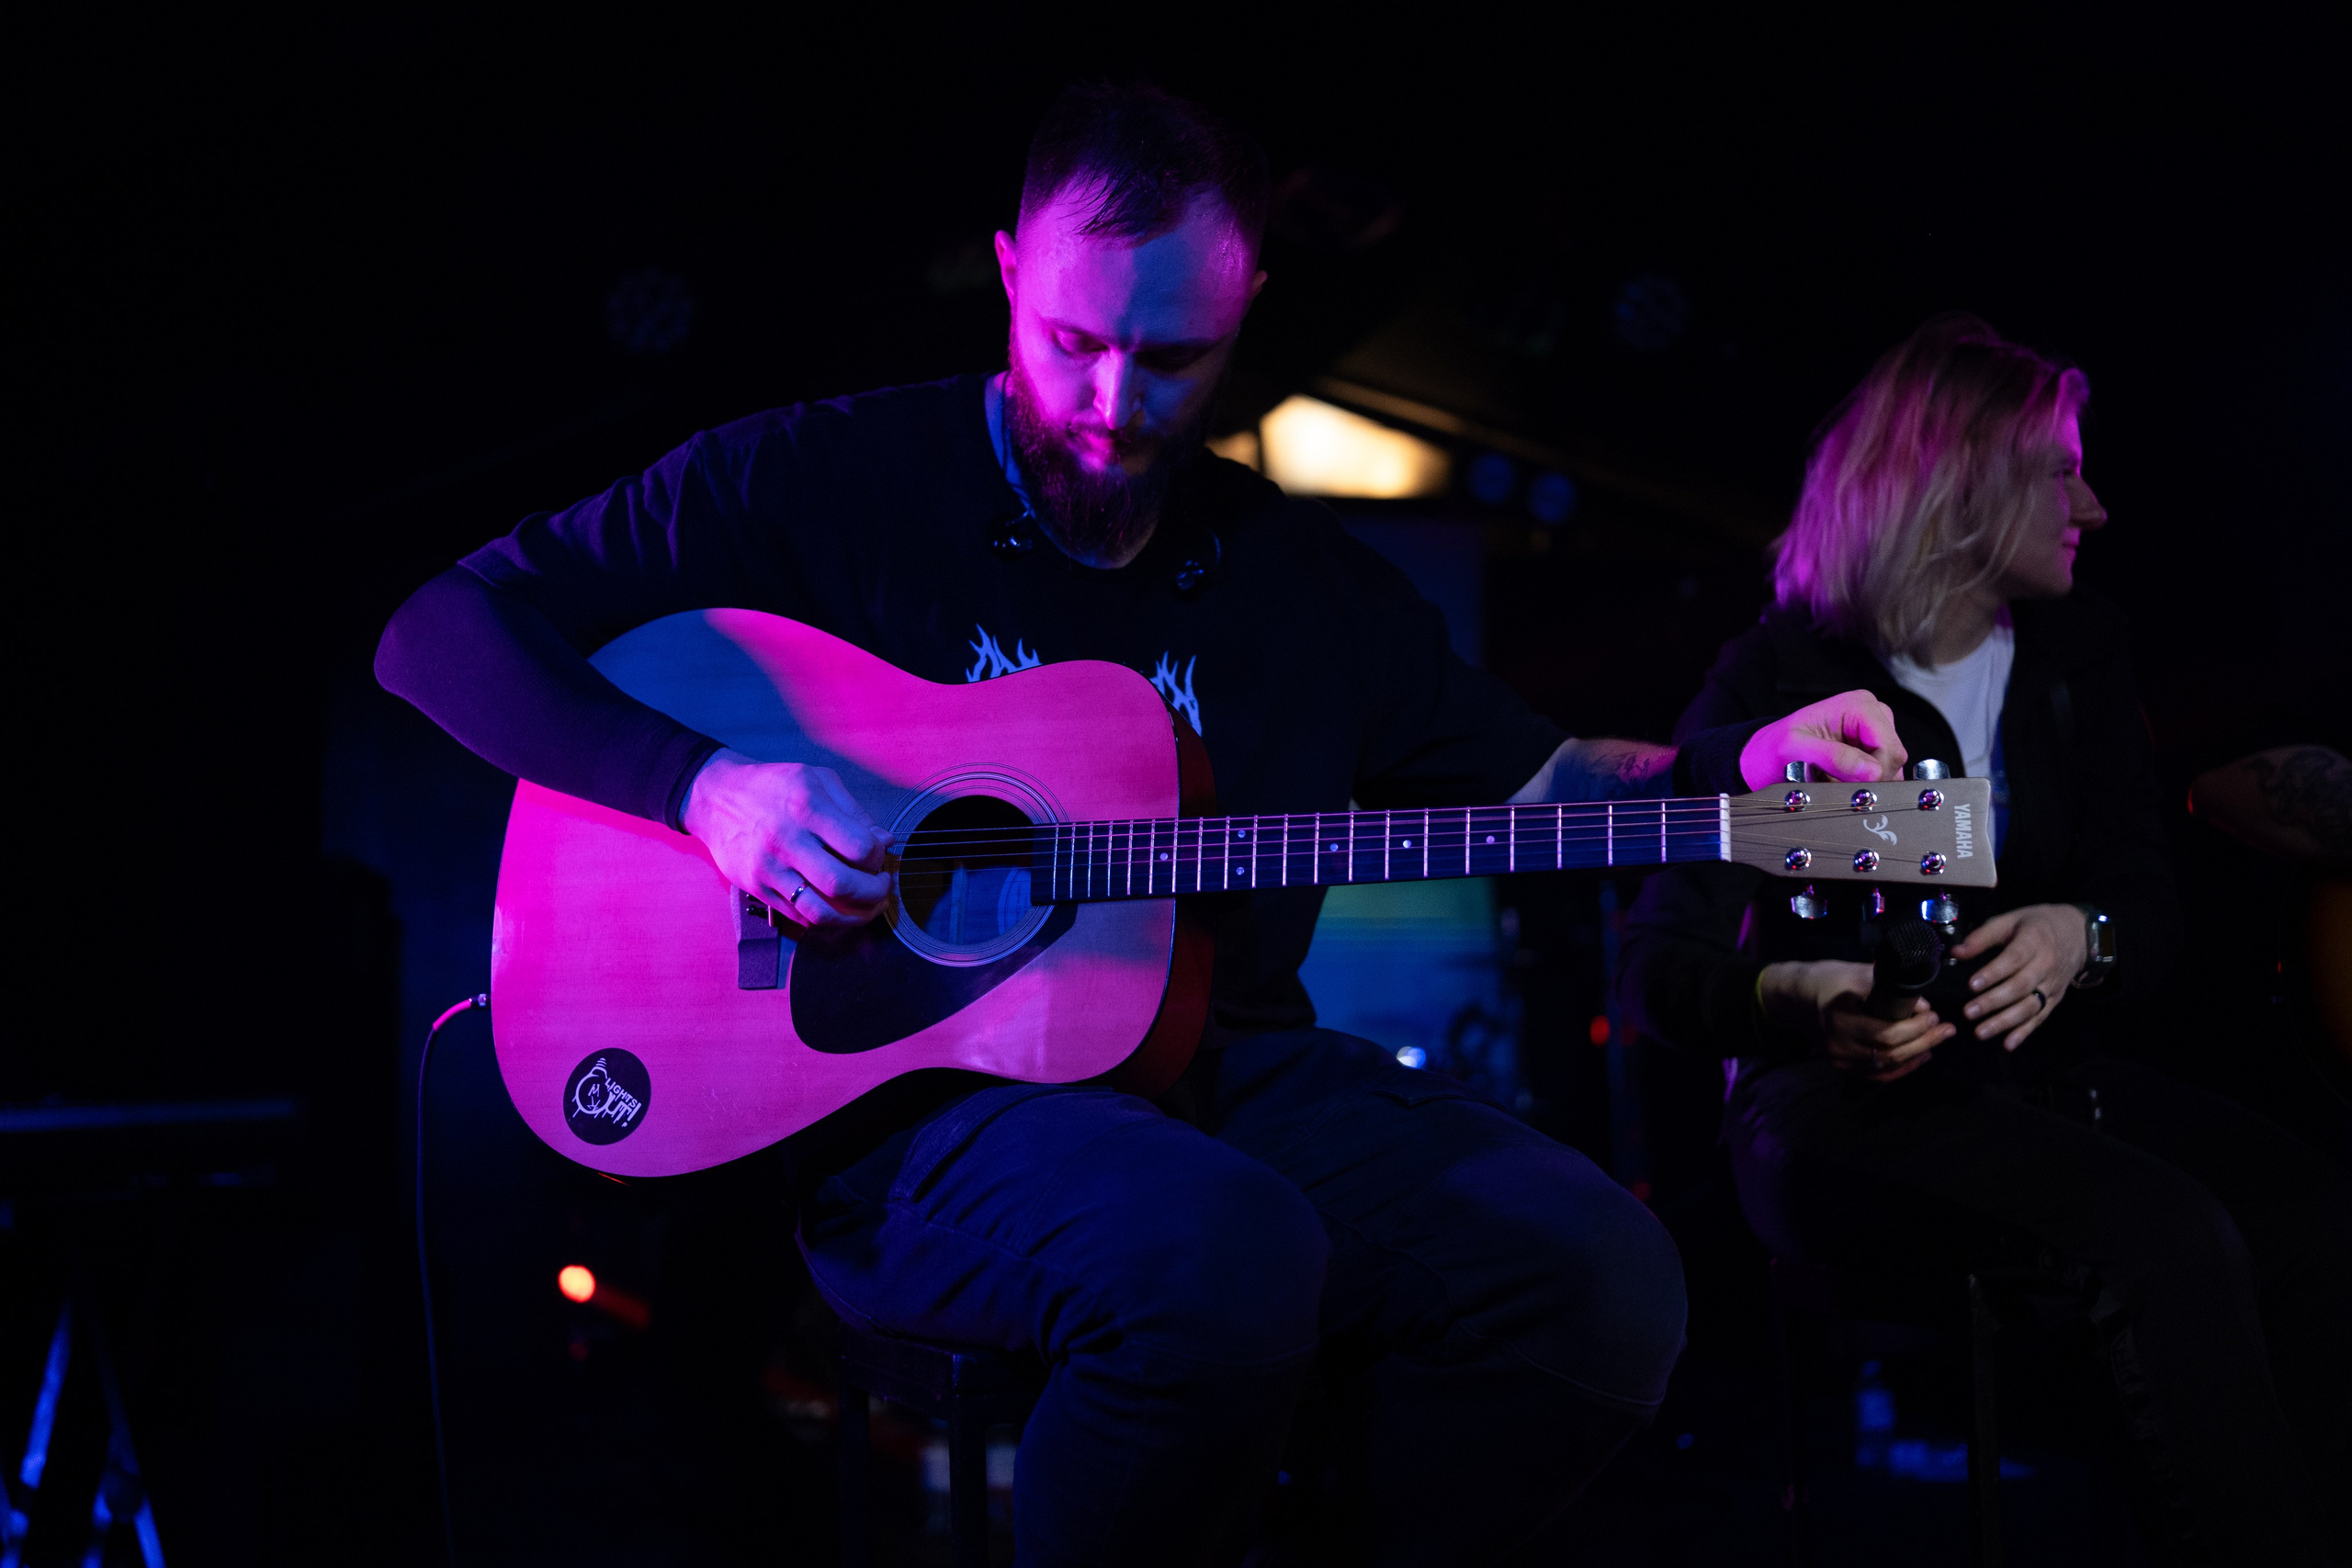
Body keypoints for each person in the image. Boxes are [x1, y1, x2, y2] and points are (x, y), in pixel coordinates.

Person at [379, 85, 1904, 1566]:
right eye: (1073, 343)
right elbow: (440, 631)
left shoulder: (1306, 585)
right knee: (1218, 1251)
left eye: (1172, 357)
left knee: (1602, 1279)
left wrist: (1736, 781)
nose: (1112, 408)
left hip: (1224, 1076)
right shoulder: (820, 480)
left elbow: (1546, 785)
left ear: (1244, 316)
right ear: (1005, 276)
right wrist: (710, 788)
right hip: (918, 1120)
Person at [1617, 315, 2352, 1562]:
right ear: (1960, 476)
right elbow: (1655, 971)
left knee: (2313, 1214)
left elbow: (2146, 906)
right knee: (2164, 1238)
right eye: (2061, 468)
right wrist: (1799, 996)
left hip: (2036, 1086)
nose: (2096, 506)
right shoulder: (1778, 673)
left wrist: (2084, 937)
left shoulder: (2081, 653)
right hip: (1827, 1110)